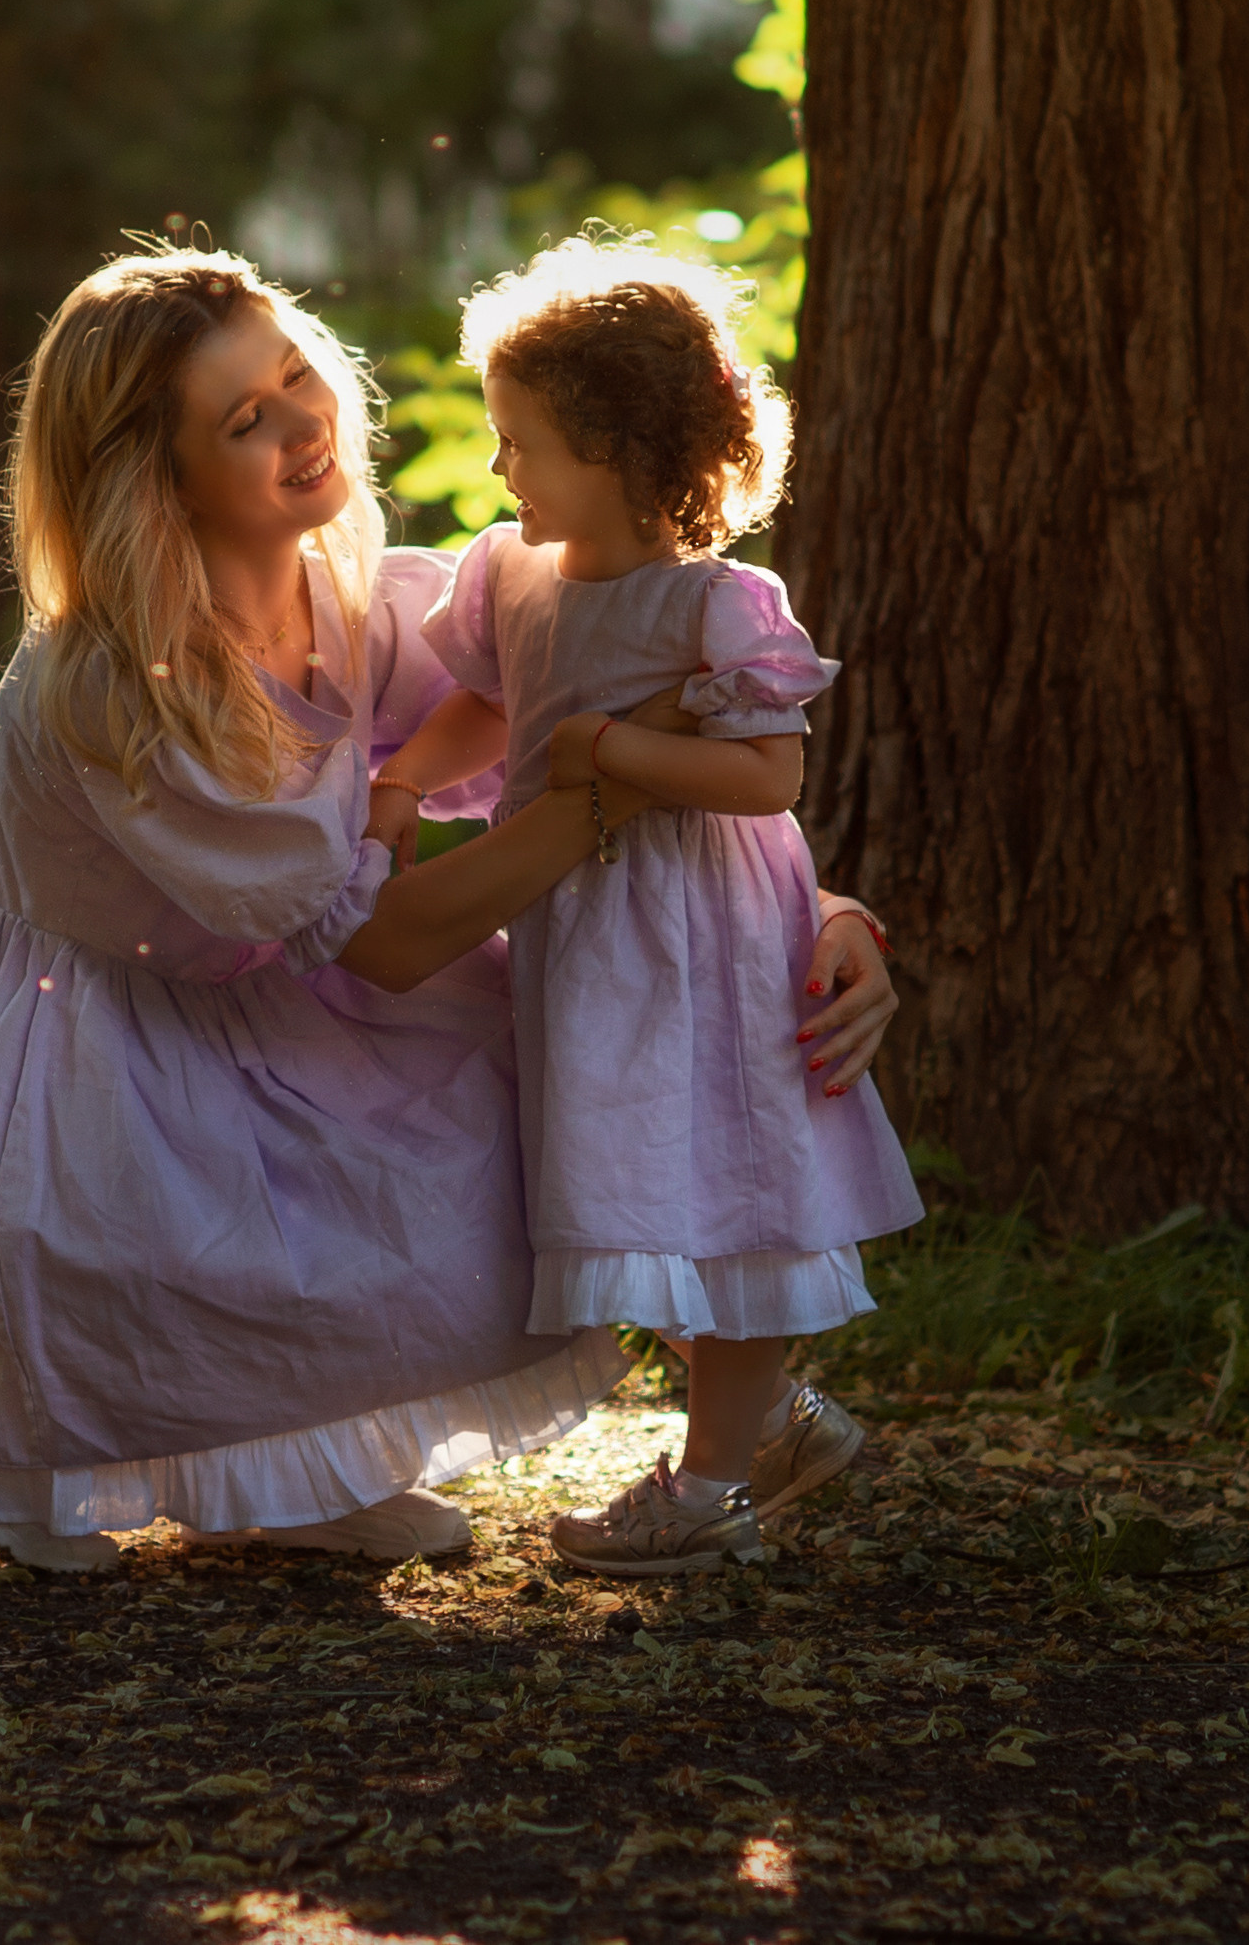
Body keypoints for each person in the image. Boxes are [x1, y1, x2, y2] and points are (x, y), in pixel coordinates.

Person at [0, 248, 897, 1573]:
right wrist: (599, 775)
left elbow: (582, 722)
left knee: (556, 1065)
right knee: (156, 1272)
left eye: (295, 373)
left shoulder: (352, 591)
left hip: (282, 984)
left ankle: (319, 1456)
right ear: (157, 480)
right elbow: (388, 938)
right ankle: (127, 1459)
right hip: (104, 1018)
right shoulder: (121, 688)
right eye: (242, 421)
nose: (303, 419)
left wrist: (811, 909)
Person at [365, 235, 924, 1578]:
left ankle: (713, 1489)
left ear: (613, 446)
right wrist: (401, 785)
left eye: (523, 442)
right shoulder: (511, 573)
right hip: (575, 931)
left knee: (714, 1180)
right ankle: (772, 1421)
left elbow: (765, 774)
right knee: (616, 1179)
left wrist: (615, 752)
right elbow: (485, 701)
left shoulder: (720, 605)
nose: (501, 470)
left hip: (700, 937)